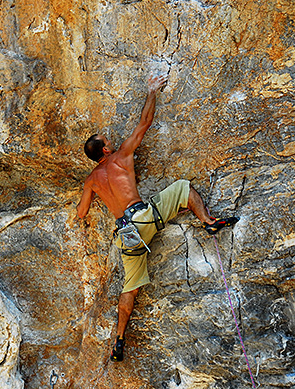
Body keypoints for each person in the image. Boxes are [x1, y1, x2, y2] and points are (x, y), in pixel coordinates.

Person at [76, 73, 239, 362]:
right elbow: (144, 124)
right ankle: (209, 222)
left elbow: (81, 212)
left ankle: (119, 337)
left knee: (131, 286)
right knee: (184, 189)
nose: (111, 140)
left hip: (127, 235)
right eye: (107, 140)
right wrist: (152, 92)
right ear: (105, 150)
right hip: (144, 218)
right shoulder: (121, 156)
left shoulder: (91, 180)